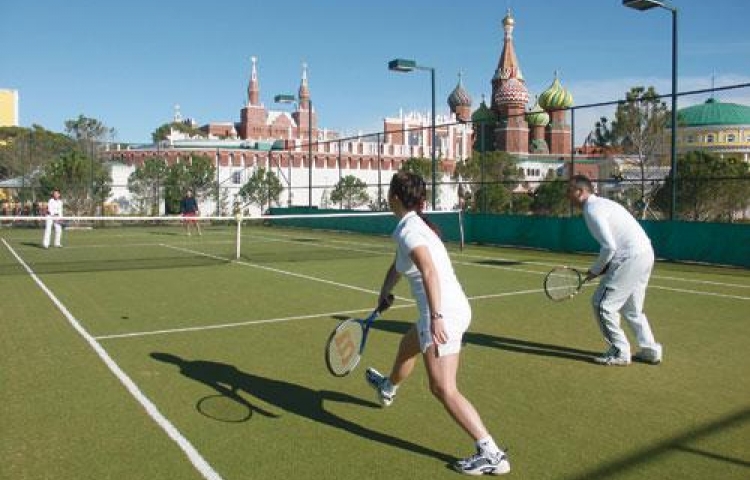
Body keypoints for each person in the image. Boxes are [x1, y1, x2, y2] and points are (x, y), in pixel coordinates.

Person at [366, 171, 510, 475]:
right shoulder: (412, 226)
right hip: (448, 308)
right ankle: (388, 387)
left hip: (444, 312)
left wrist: (436, 318)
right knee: (407, 346)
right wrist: (384, 293)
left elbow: (429, 271)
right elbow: (398, 266)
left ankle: (491, 453)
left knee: (443, 388)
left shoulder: (411, 232)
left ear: (394, 197)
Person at [567, 175, 663, 366]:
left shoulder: (592, 210)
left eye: (569, 191)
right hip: (645, 254)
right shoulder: (604, 204)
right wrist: (604, 267)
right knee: (632, 309)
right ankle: (651, 350)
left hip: (630, 257)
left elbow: (609, 247)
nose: (566, 196)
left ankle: (620, 351)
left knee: (602, 305)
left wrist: (596, 270)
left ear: (581, 191)